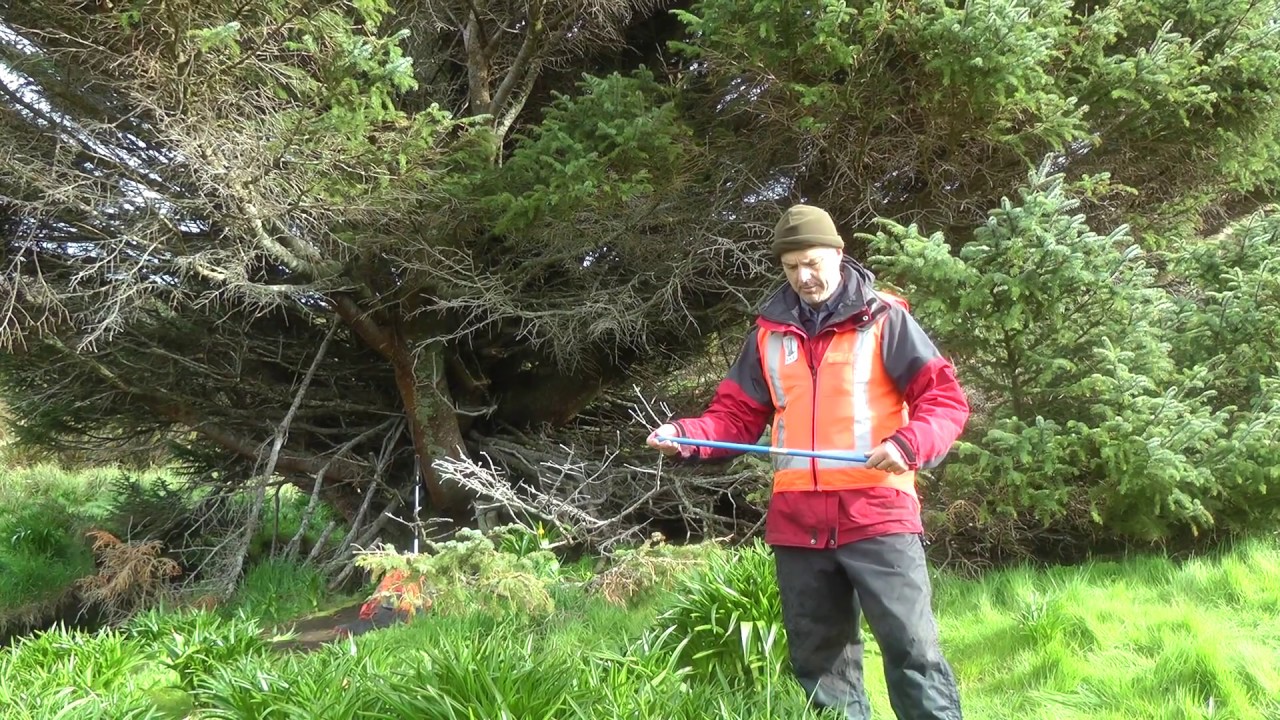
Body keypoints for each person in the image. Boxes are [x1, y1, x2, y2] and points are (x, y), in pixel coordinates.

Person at [647, 204, 968, 719]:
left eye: (814, 263)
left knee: (912, 651)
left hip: (878, 514)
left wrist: (909, 444)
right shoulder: (768, 335)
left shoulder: (886, 319)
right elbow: (733, 417)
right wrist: (686, 435)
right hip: (798, 523)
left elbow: (945, 401)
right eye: (792, 266)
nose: (804, 277)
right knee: (821, 664)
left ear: (839, 255)